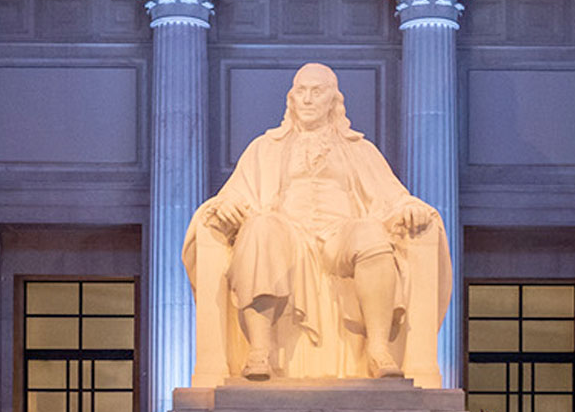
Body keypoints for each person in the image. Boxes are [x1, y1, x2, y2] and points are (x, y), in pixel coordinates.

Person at [185, 63, 455, 389]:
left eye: (317, 91)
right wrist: (223, 205)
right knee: (259, 228)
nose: (308, 99)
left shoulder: (359, 149)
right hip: (286, 235)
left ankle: (378, 348)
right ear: (291, 98)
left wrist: (411, 207)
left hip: (340, 235)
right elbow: (232, 197)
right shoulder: (264, 148)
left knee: (371, 233)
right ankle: (260, 349)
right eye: (302, 91)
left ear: (333, 100)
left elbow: (393, 197)